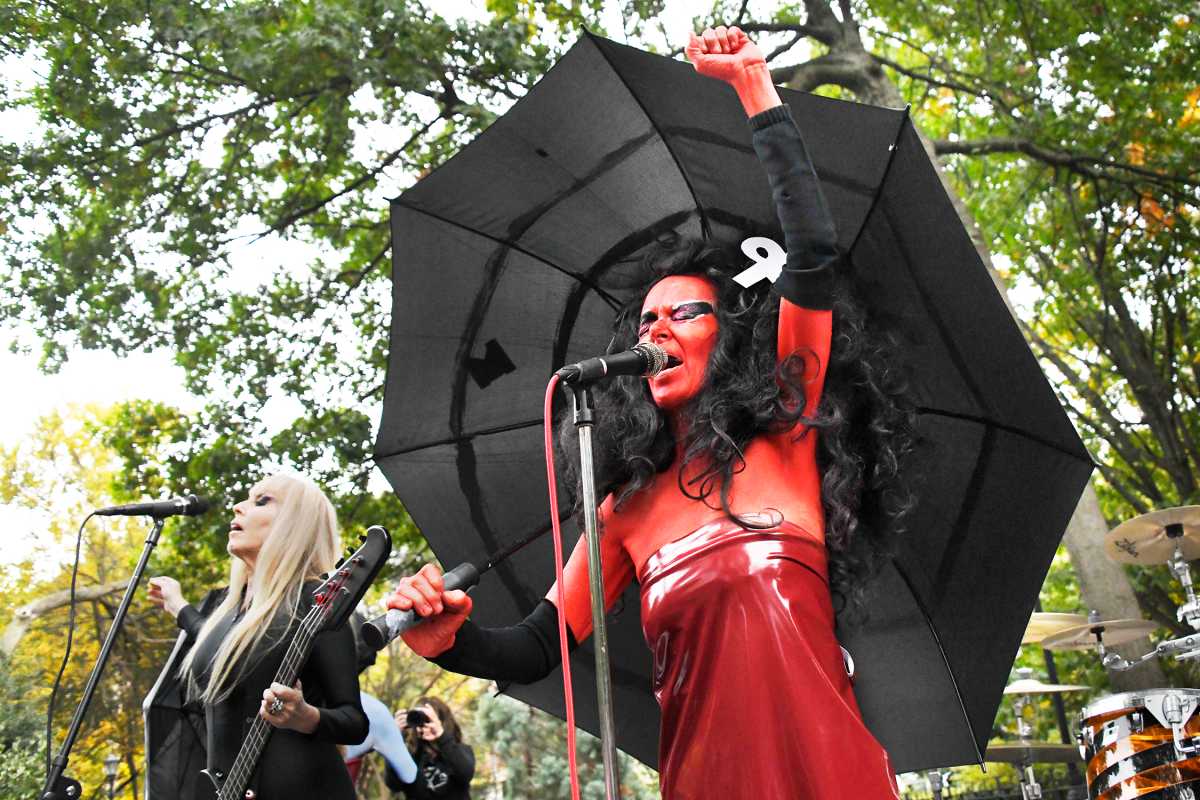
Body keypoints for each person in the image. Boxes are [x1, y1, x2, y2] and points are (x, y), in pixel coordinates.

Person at [386, 26, 913, 799]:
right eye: (645, 321)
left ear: (727, 344)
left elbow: (811, 253)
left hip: (831, 777)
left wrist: (753, 86)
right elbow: (536, 646)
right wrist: (450, 643)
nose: (655, 329)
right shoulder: (623, 512)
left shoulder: (790, 435)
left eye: (684, 315)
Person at [147, 473, 368, 800]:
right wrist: (177, 605)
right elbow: (223, 648)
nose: (238, 507)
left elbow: (354, 720)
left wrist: (306, 716)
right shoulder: (229, 610)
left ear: (295, 524)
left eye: (261, 501)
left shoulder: (316, 601)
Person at [382, 697, 475, 800]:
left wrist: (441, 735)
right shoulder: (410, 758)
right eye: (420, 719)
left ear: (441, 721)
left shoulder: (459, 750)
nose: (424, 725)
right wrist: (394, 741)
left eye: (428, 720)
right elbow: (394, 785)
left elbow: (466, 773)